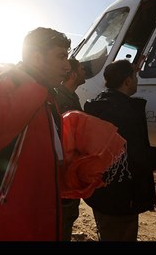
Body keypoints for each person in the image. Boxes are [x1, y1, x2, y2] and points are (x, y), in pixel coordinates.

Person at [0, 27, 71, 241]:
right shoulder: (6, 84)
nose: (67, 66)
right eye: (61, 57)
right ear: (36, 58)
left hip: (36, 226)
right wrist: (34, 88)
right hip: (1, 228)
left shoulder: (47, 99)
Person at [83, 59, 156, 241]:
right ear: (127, 81)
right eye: (135, 77)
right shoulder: (123, 112)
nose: (137, 81)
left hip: (103, 195)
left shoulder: (98, 105)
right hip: (120, 199)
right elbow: (138, 158)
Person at [54, 57, 86, 241]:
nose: (85, 72)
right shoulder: (58, 99)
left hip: (71, 171)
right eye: (82, 69)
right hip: (62, 173)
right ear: (73, 75)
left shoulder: (72, 97)